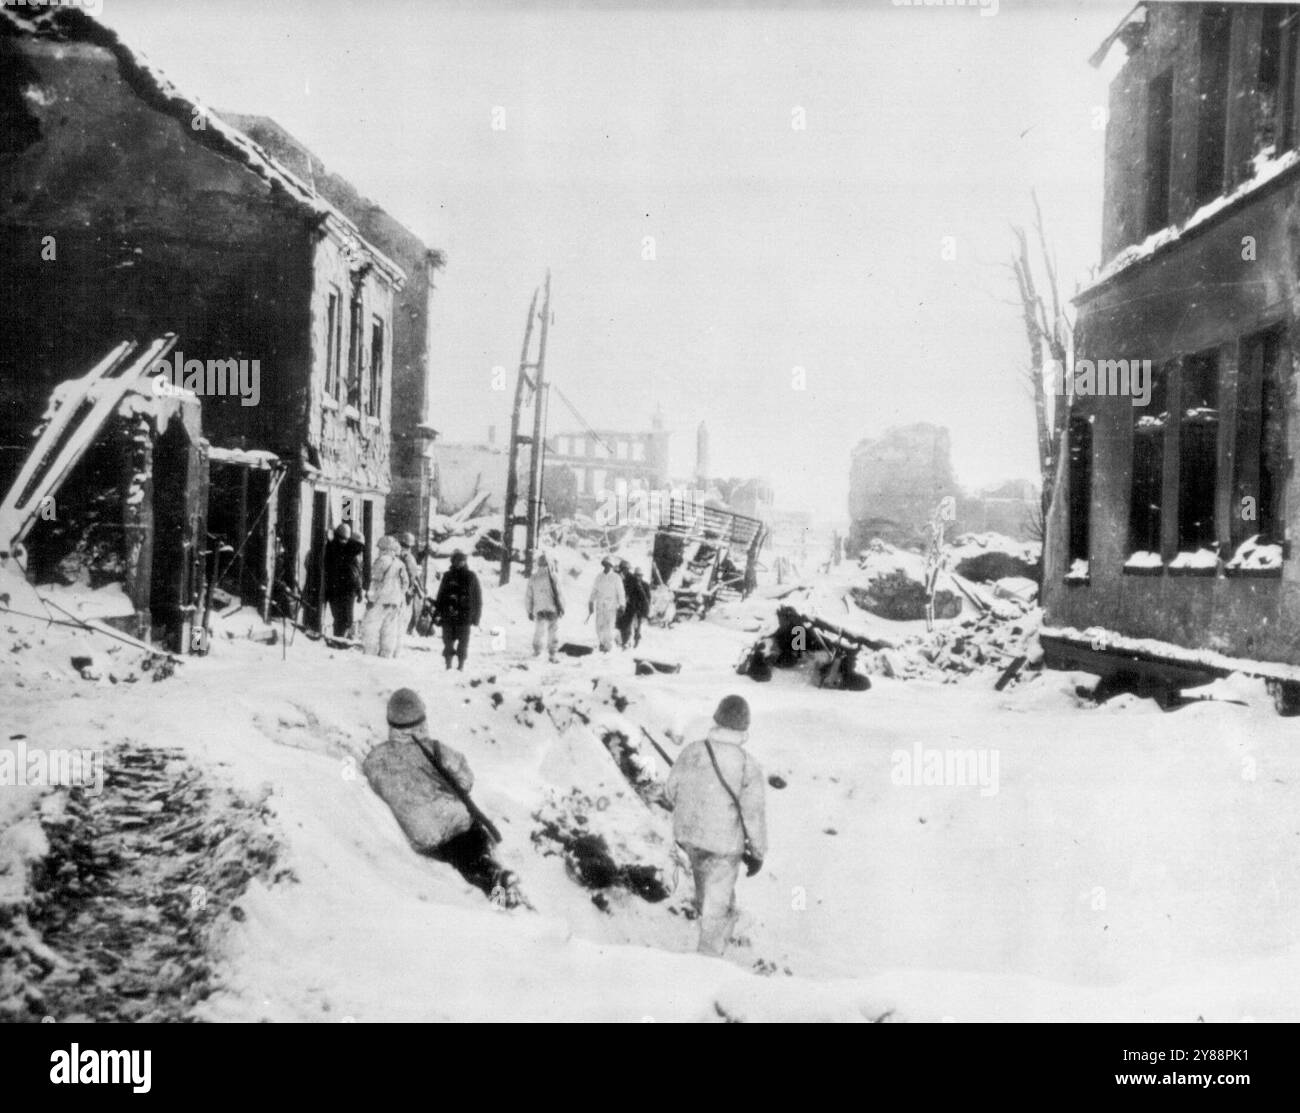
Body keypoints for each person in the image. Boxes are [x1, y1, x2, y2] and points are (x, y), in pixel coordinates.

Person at [363, 689, 520, 904]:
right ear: (421, 718)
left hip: (418, 835)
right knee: (474, 841)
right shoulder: (436, 749)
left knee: (455, 851)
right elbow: (466, 780)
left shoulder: (375, 758)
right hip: (451, 824)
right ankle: (494, 880)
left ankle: (489, 879)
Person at [663, 695, 767, 957]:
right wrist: (757, 852)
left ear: (717, 718)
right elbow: (752, 814)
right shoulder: (746, 764)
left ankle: (709, 951)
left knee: (705, 897)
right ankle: (708, 967)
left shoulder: (693, 751)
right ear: (745, 726)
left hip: (690, 839)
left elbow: (670, 791)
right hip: (722, 846)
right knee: (716, 910)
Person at [433, 549, 482, 670]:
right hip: (448, 614)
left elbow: (477, 598)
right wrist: (437, 612)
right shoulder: (447, 576)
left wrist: (476, 617)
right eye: (458, 560)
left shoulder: (471, 576)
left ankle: (460, 666)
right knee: (447, 641)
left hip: (465, 616)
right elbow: (441, 595)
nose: (460, 563)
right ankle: (448, 664)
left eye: (463, 560)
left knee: (463, 643)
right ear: (453, 561)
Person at [361, 535, 409, 657]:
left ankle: (369, 653)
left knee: (371, 627)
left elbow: (375, 581)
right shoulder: (400, 563)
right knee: (389, 630)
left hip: (380, 600)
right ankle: (386, 654)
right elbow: (405, 584)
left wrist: (371, 598)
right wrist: (398, 595)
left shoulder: (381, 561)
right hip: (395, 601)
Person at [323, 523, 363, 638]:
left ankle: (340, 637)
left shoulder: (347, 554)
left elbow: (356, 575)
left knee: (344, 619)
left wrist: (359, 590)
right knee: (344, 619)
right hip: (342, 590)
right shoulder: (339, 551)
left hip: (344, 590)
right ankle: (339, 638)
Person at [525, 552, 564, 662]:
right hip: (552, 609)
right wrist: (562, 608)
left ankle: (537, 651)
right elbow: (560, 594)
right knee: (553, 630)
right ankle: (552, 654)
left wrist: (529, 610)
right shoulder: (554, 577)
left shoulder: (533, 578)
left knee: (539, 630)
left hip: (539, 609)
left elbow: (528, 596)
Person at [588, 556, 626, 653]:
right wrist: (591, 602)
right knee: (599, 626)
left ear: (612, 566)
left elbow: (621, 592)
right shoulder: (599, 577)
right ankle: (602, 642)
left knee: (608, 627)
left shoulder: (616, 578)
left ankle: (607, 646)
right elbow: (594, 590)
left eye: (609, 565)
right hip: (600, 605)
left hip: (611, 606)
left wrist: (622, 605)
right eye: (605, 565)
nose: (607, 567)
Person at [616, 560, 651, 650]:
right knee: (625, 625)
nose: (638, 577)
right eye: (637, 575)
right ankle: (625, 642)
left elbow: (646, 598)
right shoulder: (628, 581)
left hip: (638, 610)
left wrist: (646, 610)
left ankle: (635, 642)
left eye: (640, 575)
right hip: (629, 608)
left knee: (636, 627)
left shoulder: (644, 585)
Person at [399, 531, 426, 635]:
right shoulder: (408, 557)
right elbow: (412, 575)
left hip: (398, 589)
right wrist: (410, 589)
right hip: (407, 589)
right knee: (406, 613)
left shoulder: (397, 554)